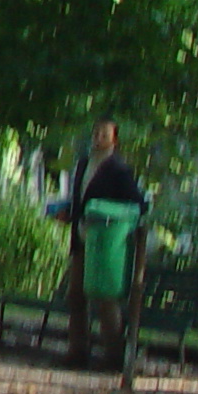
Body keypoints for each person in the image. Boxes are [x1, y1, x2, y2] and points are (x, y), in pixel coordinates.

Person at [67, 117, 147, 368]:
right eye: (96, 133)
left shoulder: (119, 170)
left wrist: (108, 218)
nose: (98, 138)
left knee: (105, 298)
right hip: (81, 240)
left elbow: (136, 205)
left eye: (104, 134)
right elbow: (79, 201)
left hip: (105, 244)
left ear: (114, 139)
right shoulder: (83, 164)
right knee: (75, 295)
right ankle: (77, 352)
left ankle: (114, 356)